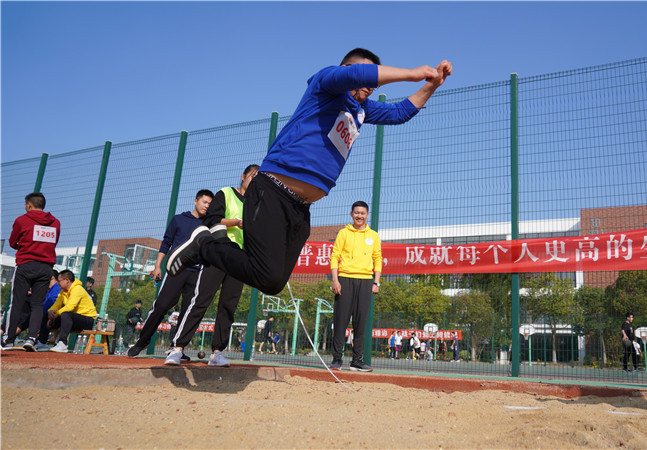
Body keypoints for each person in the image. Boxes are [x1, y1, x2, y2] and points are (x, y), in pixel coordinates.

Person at [164, 48, 452, 307]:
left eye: (372, 81)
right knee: (266, 274)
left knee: (273, 283)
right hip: (272, 191)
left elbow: (400, 112)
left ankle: (209, 244)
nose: (369, 84)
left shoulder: (362, 110)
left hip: (301, 208)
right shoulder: (325, 83)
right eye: (365, 75)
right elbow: (359, 75)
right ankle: (204, 246)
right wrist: (413, 73)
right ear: (346, 70)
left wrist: (432, 84)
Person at [166, 165, 259, 367]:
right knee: (200, 299)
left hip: (240, 258)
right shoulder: (226, 193)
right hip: (219, 252)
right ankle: (177, 348)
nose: (255, 181)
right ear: (243, 176)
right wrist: (235, 222)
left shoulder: (256, 204)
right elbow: (211, 220)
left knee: (228, 306)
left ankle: (217, 352)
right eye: (253, 176)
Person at [127, 190, 213, 358]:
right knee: (161, 305)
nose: (206, 206)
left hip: (197, 273)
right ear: (195, 201)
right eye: (204, 202)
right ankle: (142, 341)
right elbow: (166, 242)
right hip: (176, 269)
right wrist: (157, 266)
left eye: (210, 204)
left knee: (188, 312)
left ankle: (177, 348)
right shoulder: (179, 219)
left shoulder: (208, 224)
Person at [2, 192, 61, 352]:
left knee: (16, 304)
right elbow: (53, 242)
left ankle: (8, 340)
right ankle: (32, 339)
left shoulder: (22, 220)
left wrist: (26, 245)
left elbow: (13, 242)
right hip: (46, 267)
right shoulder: (55, 223)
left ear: (29, 205)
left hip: (25, 264)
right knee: (37, 304)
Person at [330, 201, 382, 372]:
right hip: (345, 279)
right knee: (341, 320)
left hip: (366, 281)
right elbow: (335, 256)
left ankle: (357, 361)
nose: (359, 216)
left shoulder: (373, 235)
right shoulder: (344, 233)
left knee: (361, 322)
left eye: (363, 213)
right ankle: (337, 360)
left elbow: (378, 258)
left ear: (367, 215)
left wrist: (376, 282)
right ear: (352, 214)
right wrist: (335, 280)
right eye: (357, 213)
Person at [47, 270, 98, 352]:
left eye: (59, 281)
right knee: (45, 314)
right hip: (73, 319)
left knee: (66, 314)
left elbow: (70, 307)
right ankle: (42, 341)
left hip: (88, 320)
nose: (58, 283)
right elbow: (56, 305)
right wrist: (50, 312)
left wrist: (55, 315)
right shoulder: (63, 292)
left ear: (67, 280)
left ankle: (62, 343)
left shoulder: (77, 289)